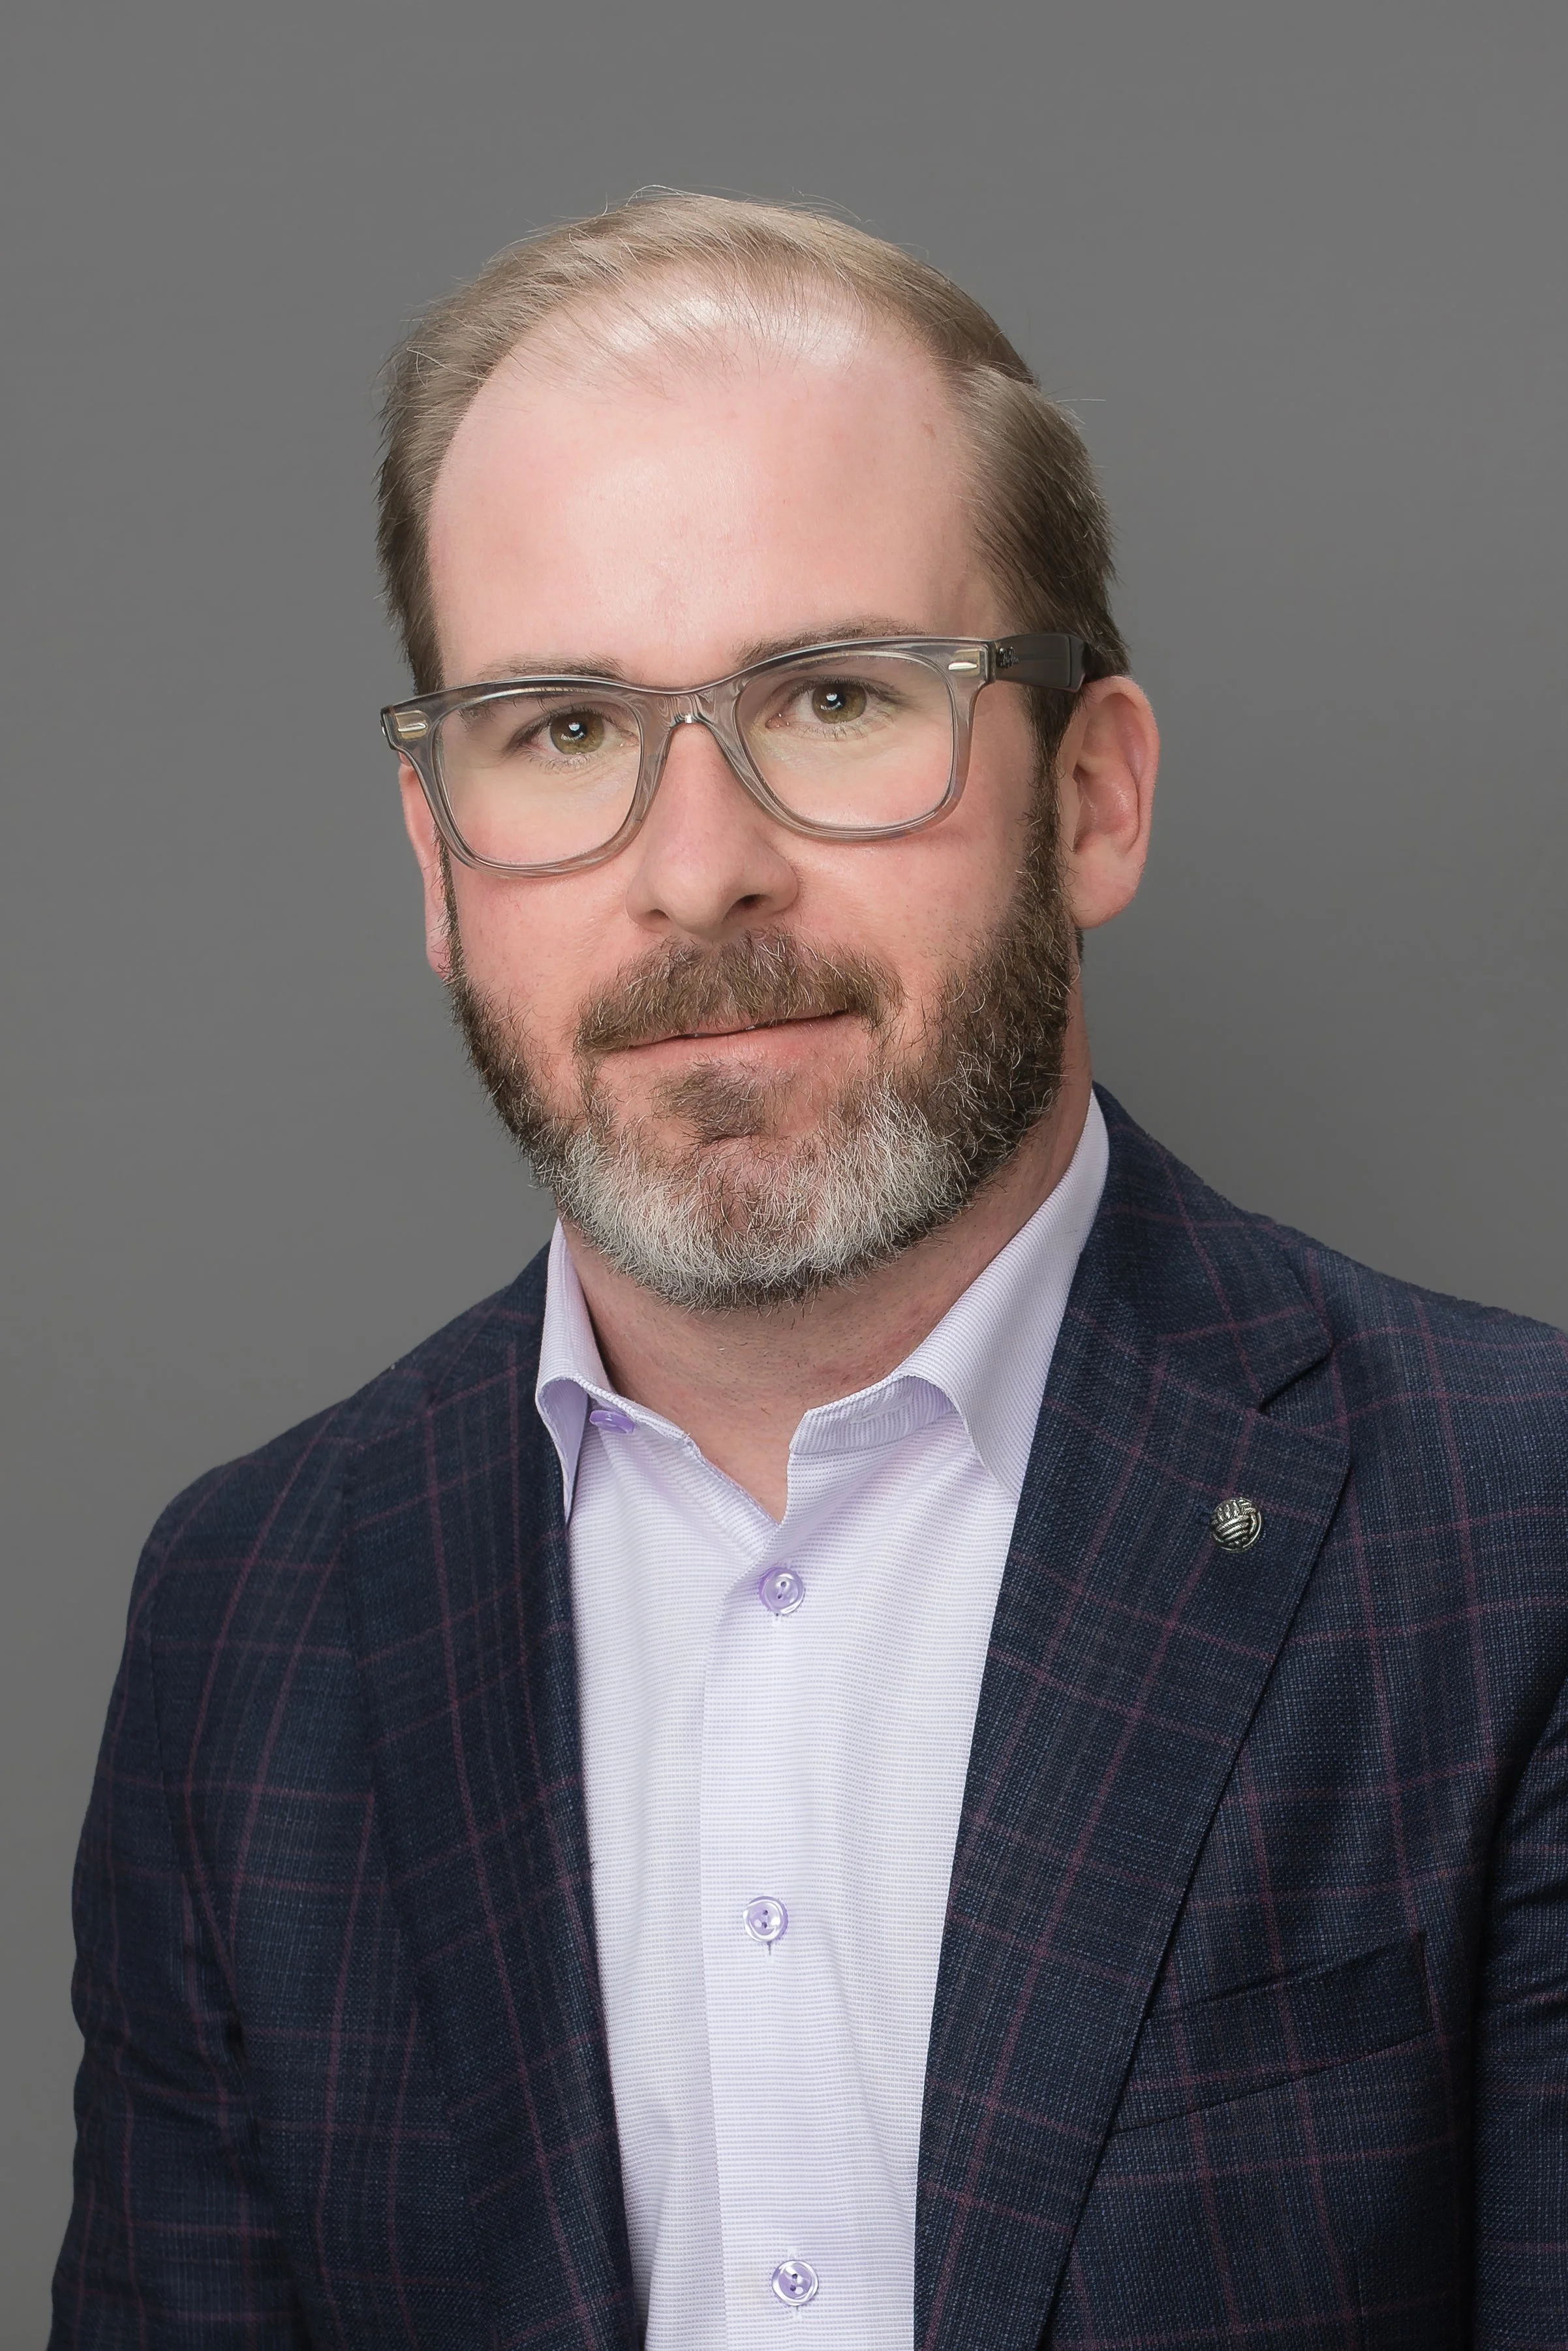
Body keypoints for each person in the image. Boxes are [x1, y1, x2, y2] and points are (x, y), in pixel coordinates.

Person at [52, 191, 1568, 2351]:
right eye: (561, 729)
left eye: (842, 696)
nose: (695, 874)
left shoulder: (1516, 1547)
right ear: (438, 861)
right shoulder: (253, 1611)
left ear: (1096, 796)